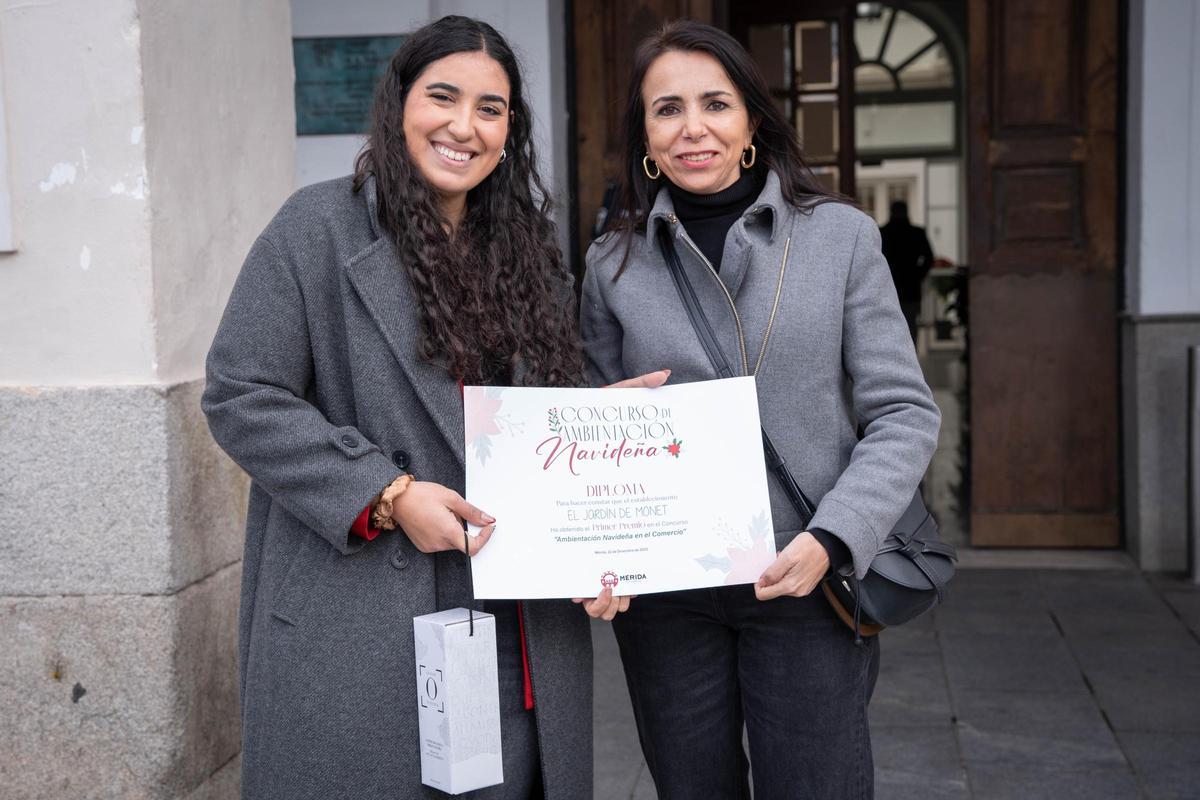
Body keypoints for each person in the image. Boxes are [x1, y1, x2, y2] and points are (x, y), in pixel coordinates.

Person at [203, 16, 638, 799]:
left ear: (511, 129)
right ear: (400, 102)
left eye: (491, 108)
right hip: (363, 618)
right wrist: (388, 493)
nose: (463, 126)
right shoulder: (315, 228)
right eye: (443, 96)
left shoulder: (527, 248)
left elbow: (545, 417)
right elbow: (240, 394)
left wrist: (604, 459)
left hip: (515, 620)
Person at [580, 20, 941, 800]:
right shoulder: (611, 261)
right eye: (667, 109)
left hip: (803, 577)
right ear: (645, 135)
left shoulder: (839, 237)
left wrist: (834, 538)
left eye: (715, 103)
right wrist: (599, 543)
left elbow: (904, 412)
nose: (693, 128)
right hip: (667, 597)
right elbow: (589, 429)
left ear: (751, 121)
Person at [880, 200, 935, 340]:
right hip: (911, 287)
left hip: (887, 287)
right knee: (910, 328)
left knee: (887, 329)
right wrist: (918, 275)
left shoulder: (882, 233)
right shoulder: (916, 233)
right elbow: (929, 258)